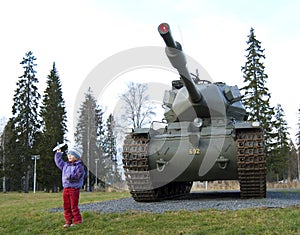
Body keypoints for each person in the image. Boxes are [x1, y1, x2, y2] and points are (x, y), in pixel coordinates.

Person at [54, 145, 85, 228]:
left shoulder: (79, 166)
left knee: (73, 206)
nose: (69, 156)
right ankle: (68, 221)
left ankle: (77, 220)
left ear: (77, 156)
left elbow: (78, 176)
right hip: (66, 188)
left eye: (72, 155)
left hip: (74, 189)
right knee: (66, 206)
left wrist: (69, 177)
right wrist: (58, 154)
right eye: (68, 155)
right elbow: (59, 162)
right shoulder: (65, 165)